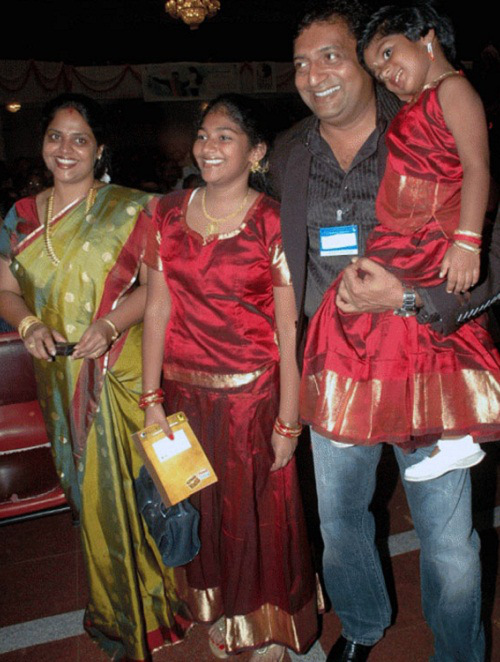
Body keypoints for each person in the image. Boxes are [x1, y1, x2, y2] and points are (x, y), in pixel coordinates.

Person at [270, 1, 499, 660]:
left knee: (449, 537)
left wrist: (419, 297)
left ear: (373, 64)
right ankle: (365, 625)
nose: (313, 75)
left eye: (331, 56)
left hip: (423, 357)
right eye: (300, 64)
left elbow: (492, 242)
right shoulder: (289, 152)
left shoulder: (430, 114)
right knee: (340, 522)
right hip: (335, 362)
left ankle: (459, 652)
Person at [0, 93, 190, 661]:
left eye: (79, 139)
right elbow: (6, 290)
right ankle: (119, 609)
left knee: (144, 492)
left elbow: (158, 289)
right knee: (90, 501)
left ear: (100, 150)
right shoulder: (20, 216)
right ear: (42, 144)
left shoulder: (135, 209)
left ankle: (162, 607)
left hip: (123, 372)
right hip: (59, 378)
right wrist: (28, 321)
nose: (66, 149)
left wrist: (109, 325)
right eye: (56, 136)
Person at [141, 94, 318, 662]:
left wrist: (289, 420)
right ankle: (216, 608)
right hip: (184, 398)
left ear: (256, 151)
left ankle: (267, 624)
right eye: (203, 134)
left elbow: (290, 330)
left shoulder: (271, 221)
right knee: (203, 509)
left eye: (225, 136)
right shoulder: (165, 213)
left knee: (259, 518)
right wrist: (150, 400)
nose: (208, 146)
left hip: (252, 400)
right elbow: (156, 309)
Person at [300, 1, 500, 483]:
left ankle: (453, 431)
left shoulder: (453, 90)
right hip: (401, 232)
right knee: (364, 318)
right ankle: (398, 421)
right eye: (377, 66)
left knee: (412, 325)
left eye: (389, 53)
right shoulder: (417, 104)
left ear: (427, 37)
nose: (386, 72)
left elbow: (476, 167)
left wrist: (468, 242)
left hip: (429, 235)